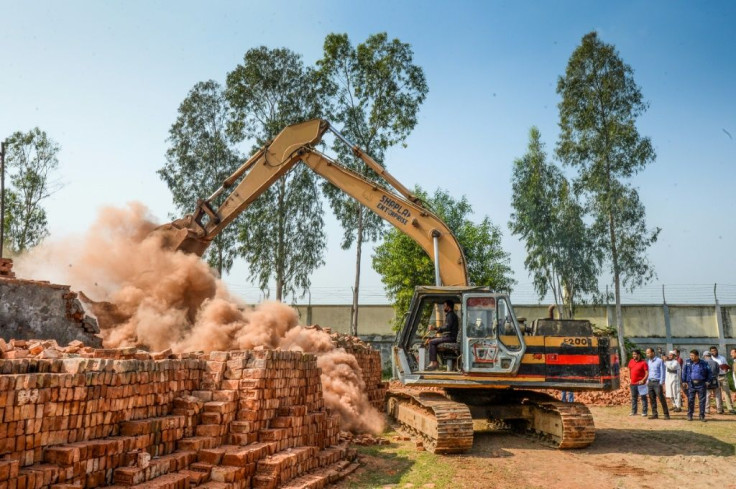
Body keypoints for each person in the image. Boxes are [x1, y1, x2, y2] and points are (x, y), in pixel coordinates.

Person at [425, 299, 459, 371]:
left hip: (450, 338)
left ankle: (434, 363)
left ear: (448, 306)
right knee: (432, 340)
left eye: (444, 306)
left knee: (431, 342)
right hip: (449, 336)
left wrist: (435, 328)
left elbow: (447, 327)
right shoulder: (451, 315)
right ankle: (434, 362)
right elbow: (446, 328)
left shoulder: (450, 315)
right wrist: (437, 330)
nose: (443, 307)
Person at [681, 349, 712, 421]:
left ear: (697, 356)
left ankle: (701, 416)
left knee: (702, 400)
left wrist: (708, 381)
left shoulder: (704, 363)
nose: (691, 357)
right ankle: (690, 415)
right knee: (691, 400)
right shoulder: (687, 362)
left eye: (693, 355)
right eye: (690, 355)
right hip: (691, 384)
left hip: (701, 384)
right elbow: (684, 372)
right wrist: (684, 381)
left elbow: (709, 372)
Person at [708, 346, 735, 414]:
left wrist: (726, 369)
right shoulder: (710, 359)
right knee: (717, 394)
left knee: (727, 392)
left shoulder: (722, 358)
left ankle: (730, 408)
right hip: (715, 378)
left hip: (723, 376)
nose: (714, 352)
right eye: (712, 351)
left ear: (717, 350)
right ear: (710, 352)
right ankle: (720, 409)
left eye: (715, 350)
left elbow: (728, 367)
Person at [645, 348, 670, 419]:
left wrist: (661, 382)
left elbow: (663, 371)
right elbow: (649, 371)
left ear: (653, 353)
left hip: (657, 382)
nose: (647, 354)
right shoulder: (649, 361)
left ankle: (666, 414)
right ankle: (654, 414)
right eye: (646, 353)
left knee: (661, 398)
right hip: (650, 382)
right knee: (652, 399)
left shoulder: (659, 361)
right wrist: (647, 380)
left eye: (649, 353)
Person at [628, 349, 649, 417]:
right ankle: (634, 411)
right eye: (633, 354)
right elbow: (630, 370)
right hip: (633, 383)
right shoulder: (631, 361)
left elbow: (647, 373)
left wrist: (643, 380)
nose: (633, 356)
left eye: (635, 354)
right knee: (634, 398)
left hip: (641, 383)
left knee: (643, 397)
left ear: (639, 355)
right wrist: (629, 378)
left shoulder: (643, 363)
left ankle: (644, 412)